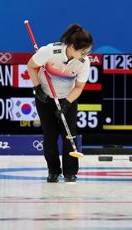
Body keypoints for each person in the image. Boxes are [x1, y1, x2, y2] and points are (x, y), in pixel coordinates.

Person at [27, 24, 93, 183]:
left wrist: (66, 104)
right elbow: (31, 66)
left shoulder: (83, 62)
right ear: (71, 46)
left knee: (69, 136)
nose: (86, 55)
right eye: (83, 52)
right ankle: (53, 171)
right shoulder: (50, 51)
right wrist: (37, 88)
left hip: (67, 98)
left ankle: (70, 172)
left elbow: (78, 87)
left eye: (88, 52)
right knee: (50, 136)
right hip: (45, 97)